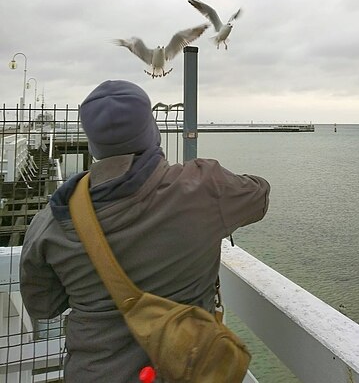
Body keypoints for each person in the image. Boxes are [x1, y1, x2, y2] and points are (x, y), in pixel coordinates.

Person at [20, 80, 270, 383]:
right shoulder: (202, 187)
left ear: (92, 142)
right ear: (153, 130)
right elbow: (259, 196)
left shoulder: (50, 223)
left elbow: (44, 306)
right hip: (191, 368)